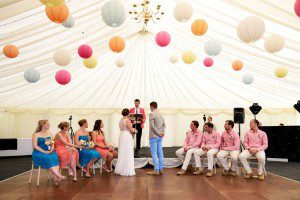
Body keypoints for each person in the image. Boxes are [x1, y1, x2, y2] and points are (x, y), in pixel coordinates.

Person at [32, 120, 65, 185]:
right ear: (43, 125)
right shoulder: (36, 134)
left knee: (55, 156)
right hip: (39, 152)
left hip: (49, 151)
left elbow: (52, 143)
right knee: (48, 158)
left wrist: (51, 150)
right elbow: (35, 146)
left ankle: (55, 177)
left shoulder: (50, 134)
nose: (49, 125)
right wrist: (44, 151)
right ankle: (58, 175)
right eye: (47, 124)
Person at [115, 109, 136, 176]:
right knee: (127, 151)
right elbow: (131, 130)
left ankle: (120, 168)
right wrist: (135, 130)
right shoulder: (127, 120)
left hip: (122, 135)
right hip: (127, 136)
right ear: (128, 114)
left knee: (122, 151)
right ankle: (127, 170)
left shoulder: (121, 120)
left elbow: (121, 128)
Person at [147, 101, 166, 176]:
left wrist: (158, 133)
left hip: (154, 136)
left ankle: (156, 170)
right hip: (160, 136)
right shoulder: (161, 114)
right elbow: (164, 125)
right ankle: (161, 169)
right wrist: (162, 133)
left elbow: (152, 126)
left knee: (154, 153)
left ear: (151, 106)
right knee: (160, 152)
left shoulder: (151, 114)